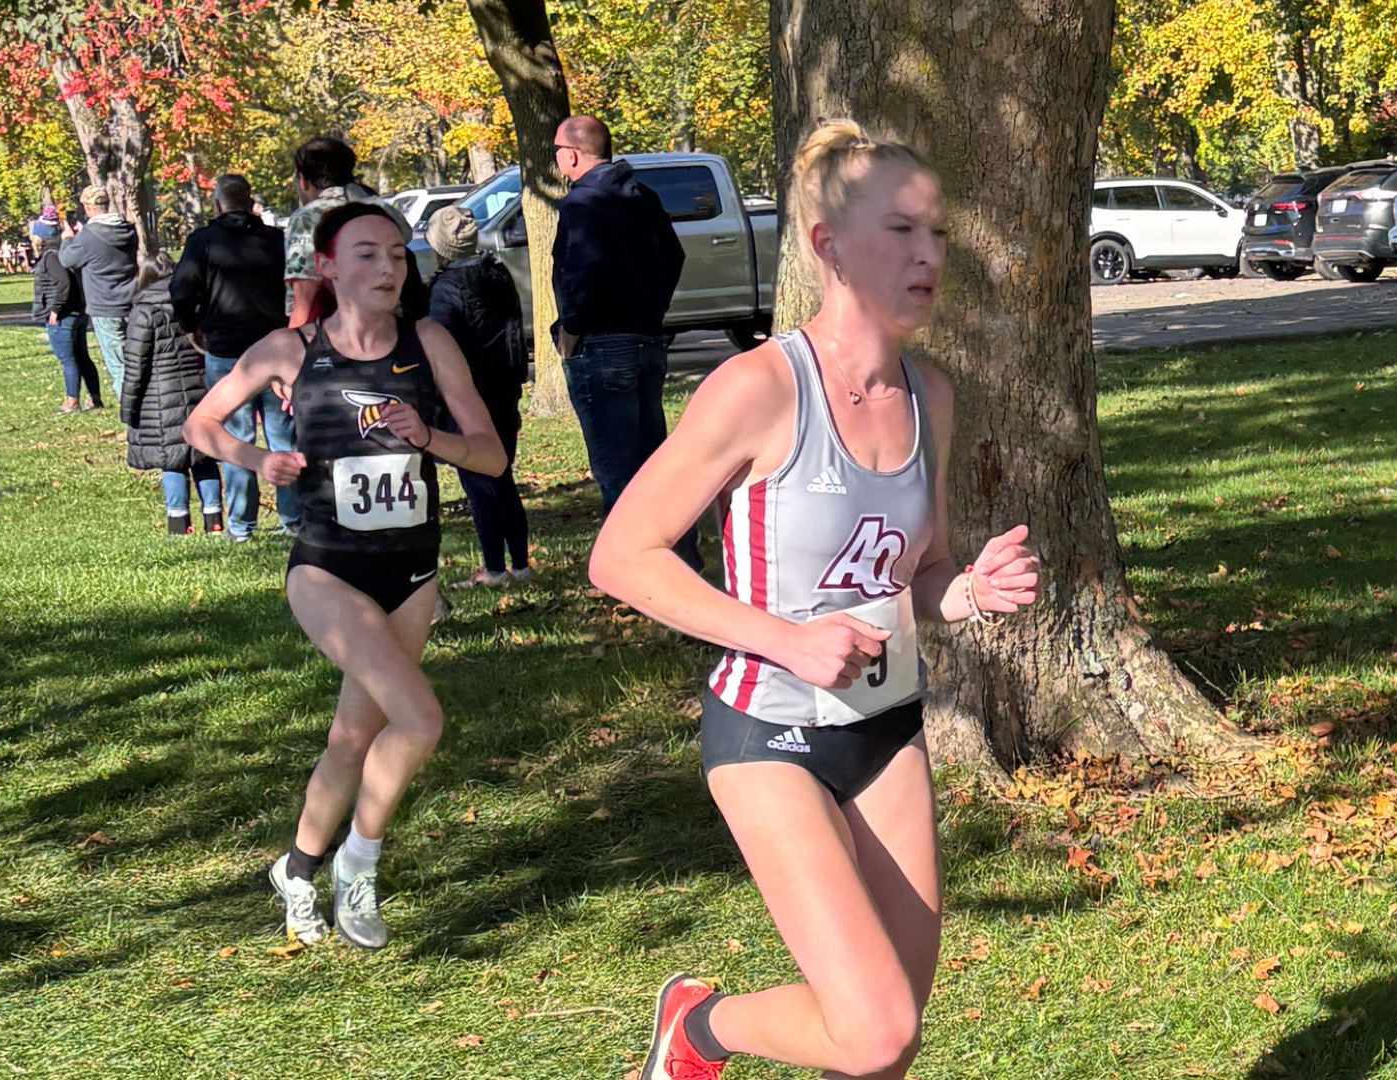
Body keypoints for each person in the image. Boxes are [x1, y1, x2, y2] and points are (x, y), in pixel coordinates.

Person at [588, 121, 1041, 1080]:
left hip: (883, 727)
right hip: (769, 732)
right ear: (827, 246)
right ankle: (697, 1031)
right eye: (903, 231)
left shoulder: (933, 397)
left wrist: (967, 592)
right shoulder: (757, 389)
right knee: (873, 1025)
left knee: (884, 1046)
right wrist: (782, 641)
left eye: (940, 234)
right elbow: (622, 557)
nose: (929, 256)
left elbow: (918, 575)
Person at [183, 201, 506, 950]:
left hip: (413, 569)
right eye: (367, 254)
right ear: (327, 266)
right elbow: (201, 423)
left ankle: (296, 869)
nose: (388, 268)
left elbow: (491, 456)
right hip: (327, 568)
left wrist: (430, 438)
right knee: (418, 719)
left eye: (397, 254)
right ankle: (357, 864)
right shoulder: (289, 349)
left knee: (351, 737)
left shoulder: (430, 344)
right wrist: (260, 460)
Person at [549, 114, 699, 569]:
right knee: (655, 461)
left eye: (557, 151)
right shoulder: (643, 197)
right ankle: (682, 558)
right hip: (647, 340)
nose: (556, 159)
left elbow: (583, 273)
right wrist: (652, 307)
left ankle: (637, 573)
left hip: (602, 344)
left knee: (616, 467)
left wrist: (571, 327)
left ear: (571, 155)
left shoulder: (582, 205)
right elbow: (674, 255)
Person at [171, 173, 292, 542]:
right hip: (273, 347)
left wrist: (193, 325)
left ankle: (241, 526)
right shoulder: (275, 240)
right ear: (250, 200)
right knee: (283, 437)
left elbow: (181, 289)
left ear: (217, 204)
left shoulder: (203, 241)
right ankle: (294, 519)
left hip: (225, 349)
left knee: (234, 439)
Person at [425, 205, 531, 587]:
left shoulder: (443, 291)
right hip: (504, 388)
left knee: (480, 483)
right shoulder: (497, 274)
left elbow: (442, 349)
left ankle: (495, 569)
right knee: (502, 476)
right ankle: (519, 564)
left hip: (468, 397)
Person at [123, 252, 222, 536]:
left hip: (159, 397)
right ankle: (214, 519)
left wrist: (128, 408)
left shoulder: (143, 311)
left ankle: (179, 523)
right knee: (202, 456)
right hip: (200, 390)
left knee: (173, 461)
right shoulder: (196, 304)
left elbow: (135, 365)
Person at [282, 136, 419, 329]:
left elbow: (305, 296)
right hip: (387, 329)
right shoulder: (385, 211)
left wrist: (295, 347)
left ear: (303, 180)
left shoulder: (309, 218)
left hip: (332, 334)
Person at [59, 185, 140, 396]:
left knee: (117, 363)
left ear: (87, 207)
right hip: (132, 302)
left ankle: (130, 411)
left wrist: (68, 238)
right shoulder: (128, 229)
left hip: (105, 306)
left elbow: (67, 259)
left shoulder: (89, 237)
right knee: (136, 358)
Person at [33, 222, 103, 414]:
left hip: (64, 316)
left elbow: (64, 282)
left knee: (68, 359)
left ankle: (72, 401)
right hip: (78, 312)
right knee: (81, 357)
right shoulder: (66, 252)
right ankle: (94, 398)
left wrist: (55, 310)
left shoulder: (51, 256)